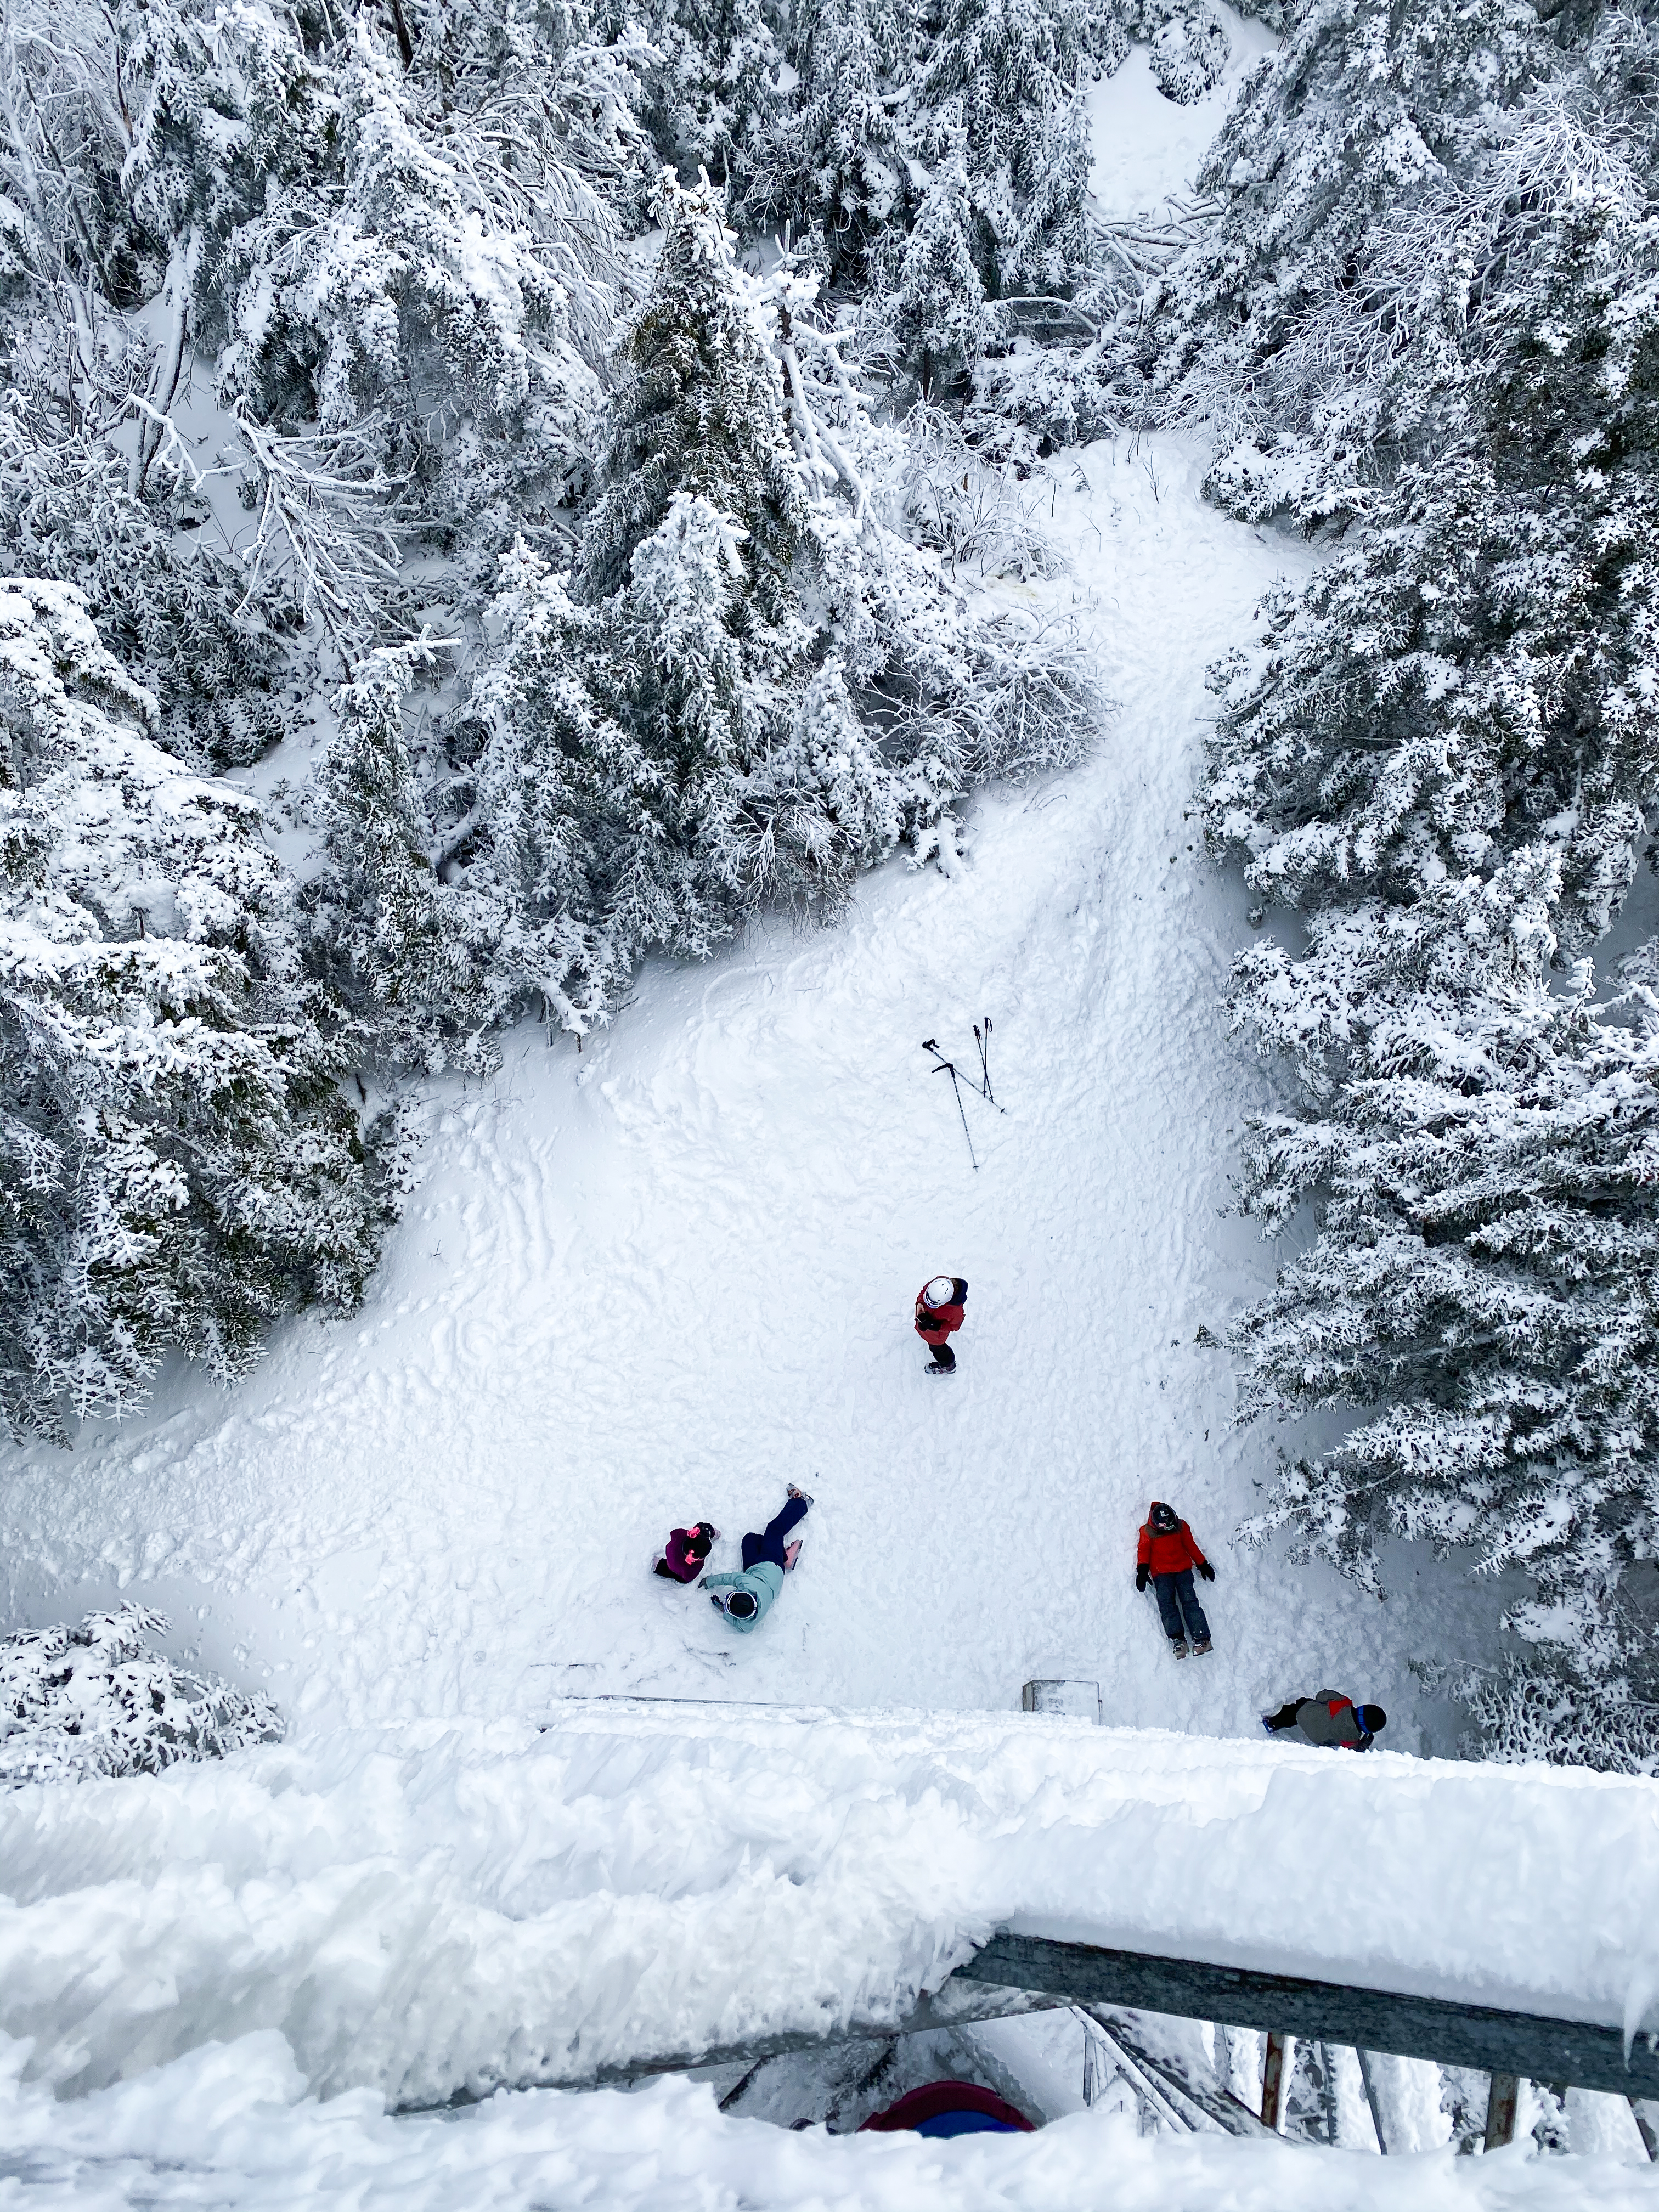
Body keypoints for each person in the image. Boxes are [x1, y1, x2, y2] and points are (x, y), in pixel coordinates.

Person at [704, 1486, 812, 1633]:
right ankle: (801, 1504)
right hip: (772, 1565)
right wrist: (709, 1582)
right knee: (774, 1529)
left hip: (759, 1573)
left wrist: (723, 1609)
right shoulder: (748, 1584)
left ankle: (783, 1551)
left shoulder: (748, 1623)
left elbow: (739, 1624)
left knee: (750, 1540)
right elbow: (730, 1579)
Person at [1135, 1498, 1216, 1658]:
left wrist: (1202, 1563)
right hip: (1162, 1574)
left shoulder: (1181, 1526)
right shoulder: (1148, 1531)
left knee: (1190, 1601)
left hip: (1183, 1571)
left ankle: (1203, 1639)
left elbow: (1190, 1545)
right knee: (1167, 1605)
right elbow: (1143, 1551)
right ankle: (1179, 1640)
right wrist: (1142, 1571)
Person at [1263, 1692, 1387, 1750]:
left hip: (1305, 1714)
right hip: (1316, 1738)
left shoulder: (1344, 1703)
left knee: (1299, 1707)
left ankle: (1272, 1724)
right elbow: (1351, 1750)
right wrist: (1360, 1746)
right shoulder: (1353, 1740)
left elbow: (1321, 1695)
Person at [915, 1276, 968, 1374]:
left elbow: (955, 1327)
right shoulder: (939, 1282)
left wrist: (937, 1326)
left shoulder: (956, 1312)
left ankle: (949, 1366)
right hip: (926, 1329)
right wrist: (920, 1304)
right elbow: (924, 1292)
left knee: (939, 1351)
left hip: (936, 1338)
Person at [654, 1521, 719, 1583]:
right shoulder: (691, 1568)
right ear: (697, 1558)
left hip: (671, 1552)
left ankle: (658, 1565)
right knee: (680, 1577)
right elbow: (688, 1578)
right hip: (676, 1567)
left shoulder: (682, 1536)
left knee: (702, 1528)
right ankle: (660, 1566)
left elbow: (673, 1533)